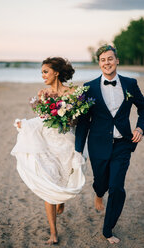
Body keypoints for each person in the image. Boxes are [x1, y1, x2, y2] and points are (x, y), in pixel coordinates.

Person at [11, 57, 85, 245]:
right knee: (48, 186)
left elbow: (79, 119)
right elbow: (43, 120)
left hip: (67, 142)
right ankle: (53, 232)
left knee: (65, 179)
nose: (43, 75)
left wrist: (70, 116)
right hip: (48, 144)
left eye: (45, 71)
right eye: (42, 72)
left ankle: (61, 199)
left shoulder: (73, 92)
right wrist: (25, 124)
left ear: (56, 73)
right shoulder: (42, 94)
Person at [75, 45, 144, 244]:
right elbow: (83, 121)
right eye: (103, 59)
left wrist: (140, 129)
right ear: (99, 63)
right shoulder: (89, 87)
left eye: (110, 58)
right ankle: (98, 193)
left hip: (123, 143)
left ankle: (108, 229)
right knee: (101, 182)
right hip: (98, 145)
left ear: (117, 61)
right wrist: (78, 150)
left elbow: (143, 108)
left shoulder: (131, 84)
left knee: (116, 187)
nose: (107, 62)